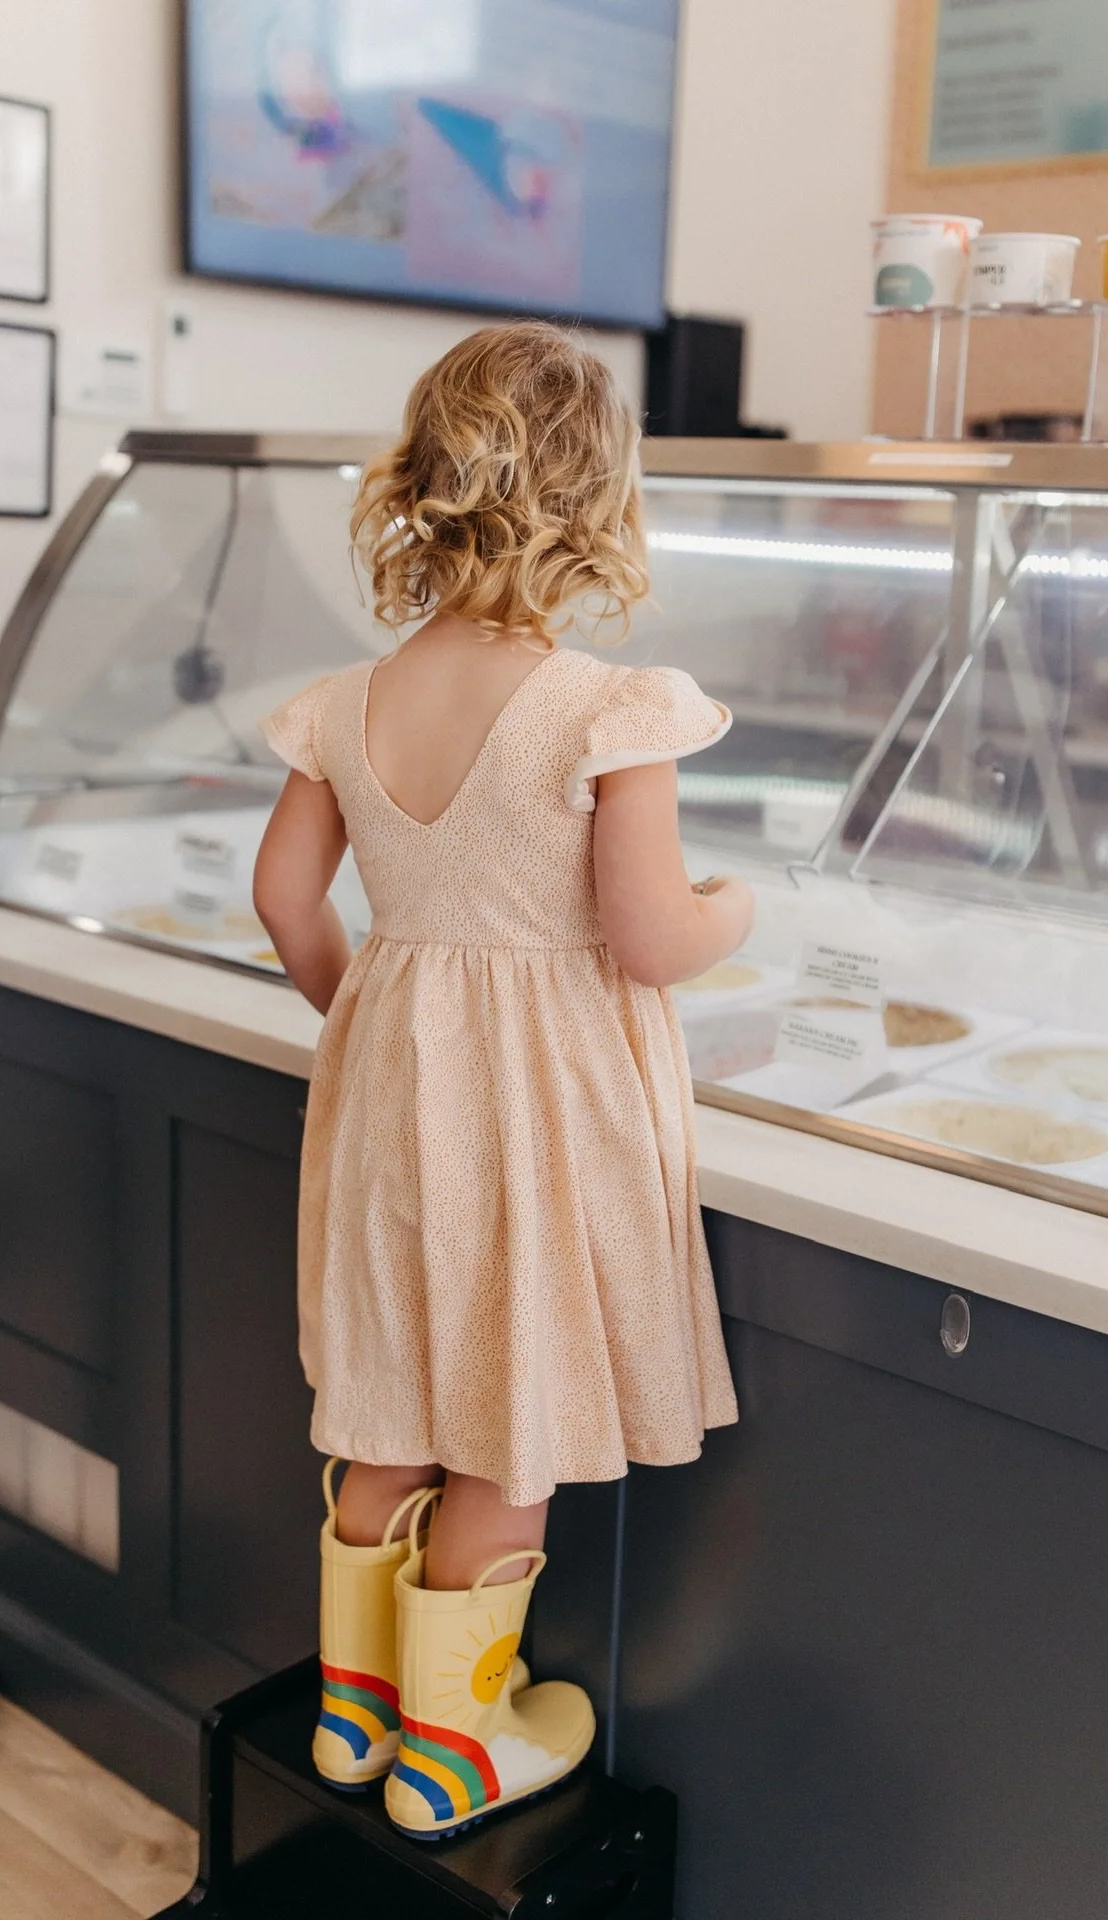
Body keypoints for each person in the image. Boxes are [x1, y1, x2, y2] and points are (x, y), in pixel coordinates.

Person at [253, 321, 752, 1838]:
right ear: (597, 496)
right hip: (542, 1111)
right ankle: (457, 1746)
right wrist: (744, 909)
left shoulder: (347, 700)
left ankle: (354, 1714)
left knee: (392, 1396)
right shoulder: (611, 707)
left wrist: (377, 1022)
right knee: (507, 1413)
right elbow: (652, 940)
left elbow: (285, 901)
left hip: (393, 1084)